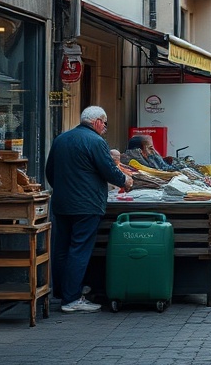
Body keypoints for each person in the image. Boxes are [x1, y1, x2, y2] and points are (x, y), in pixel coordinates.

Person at [45, 106, 132, 313]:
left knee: (61, 249)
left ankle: (62, 292)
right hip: (86, 205)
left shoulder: (61, 139)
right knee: (79, 249)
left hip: (62, 203)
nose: (105, 128)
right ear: (97, 122)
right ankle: (72, 298)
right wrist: (125, 180)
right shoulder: (96, 141)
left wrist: (64, 190)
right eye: (105, 124)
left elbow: (50, 172)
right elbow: (108, 170)